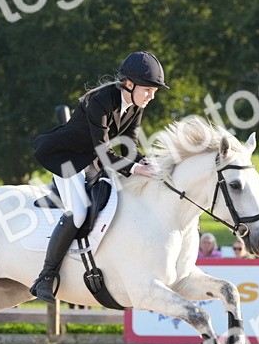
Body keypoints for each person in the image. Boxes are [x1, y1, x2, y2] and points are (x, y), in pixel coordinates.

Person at [29, 51, 167, 302]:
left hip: (90, 158)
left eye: (154, 91)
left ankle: (61, 195)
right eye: (148, 90)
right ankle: (45, 277)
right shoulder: (101, 101)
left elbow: (130, 146)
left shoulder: (136, 105)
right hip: (67, 157)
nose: (151, 96)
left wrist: (145, 162)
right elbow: (105, 151)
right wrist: (134, 168)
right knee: (79, 212)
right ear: (129, 83)